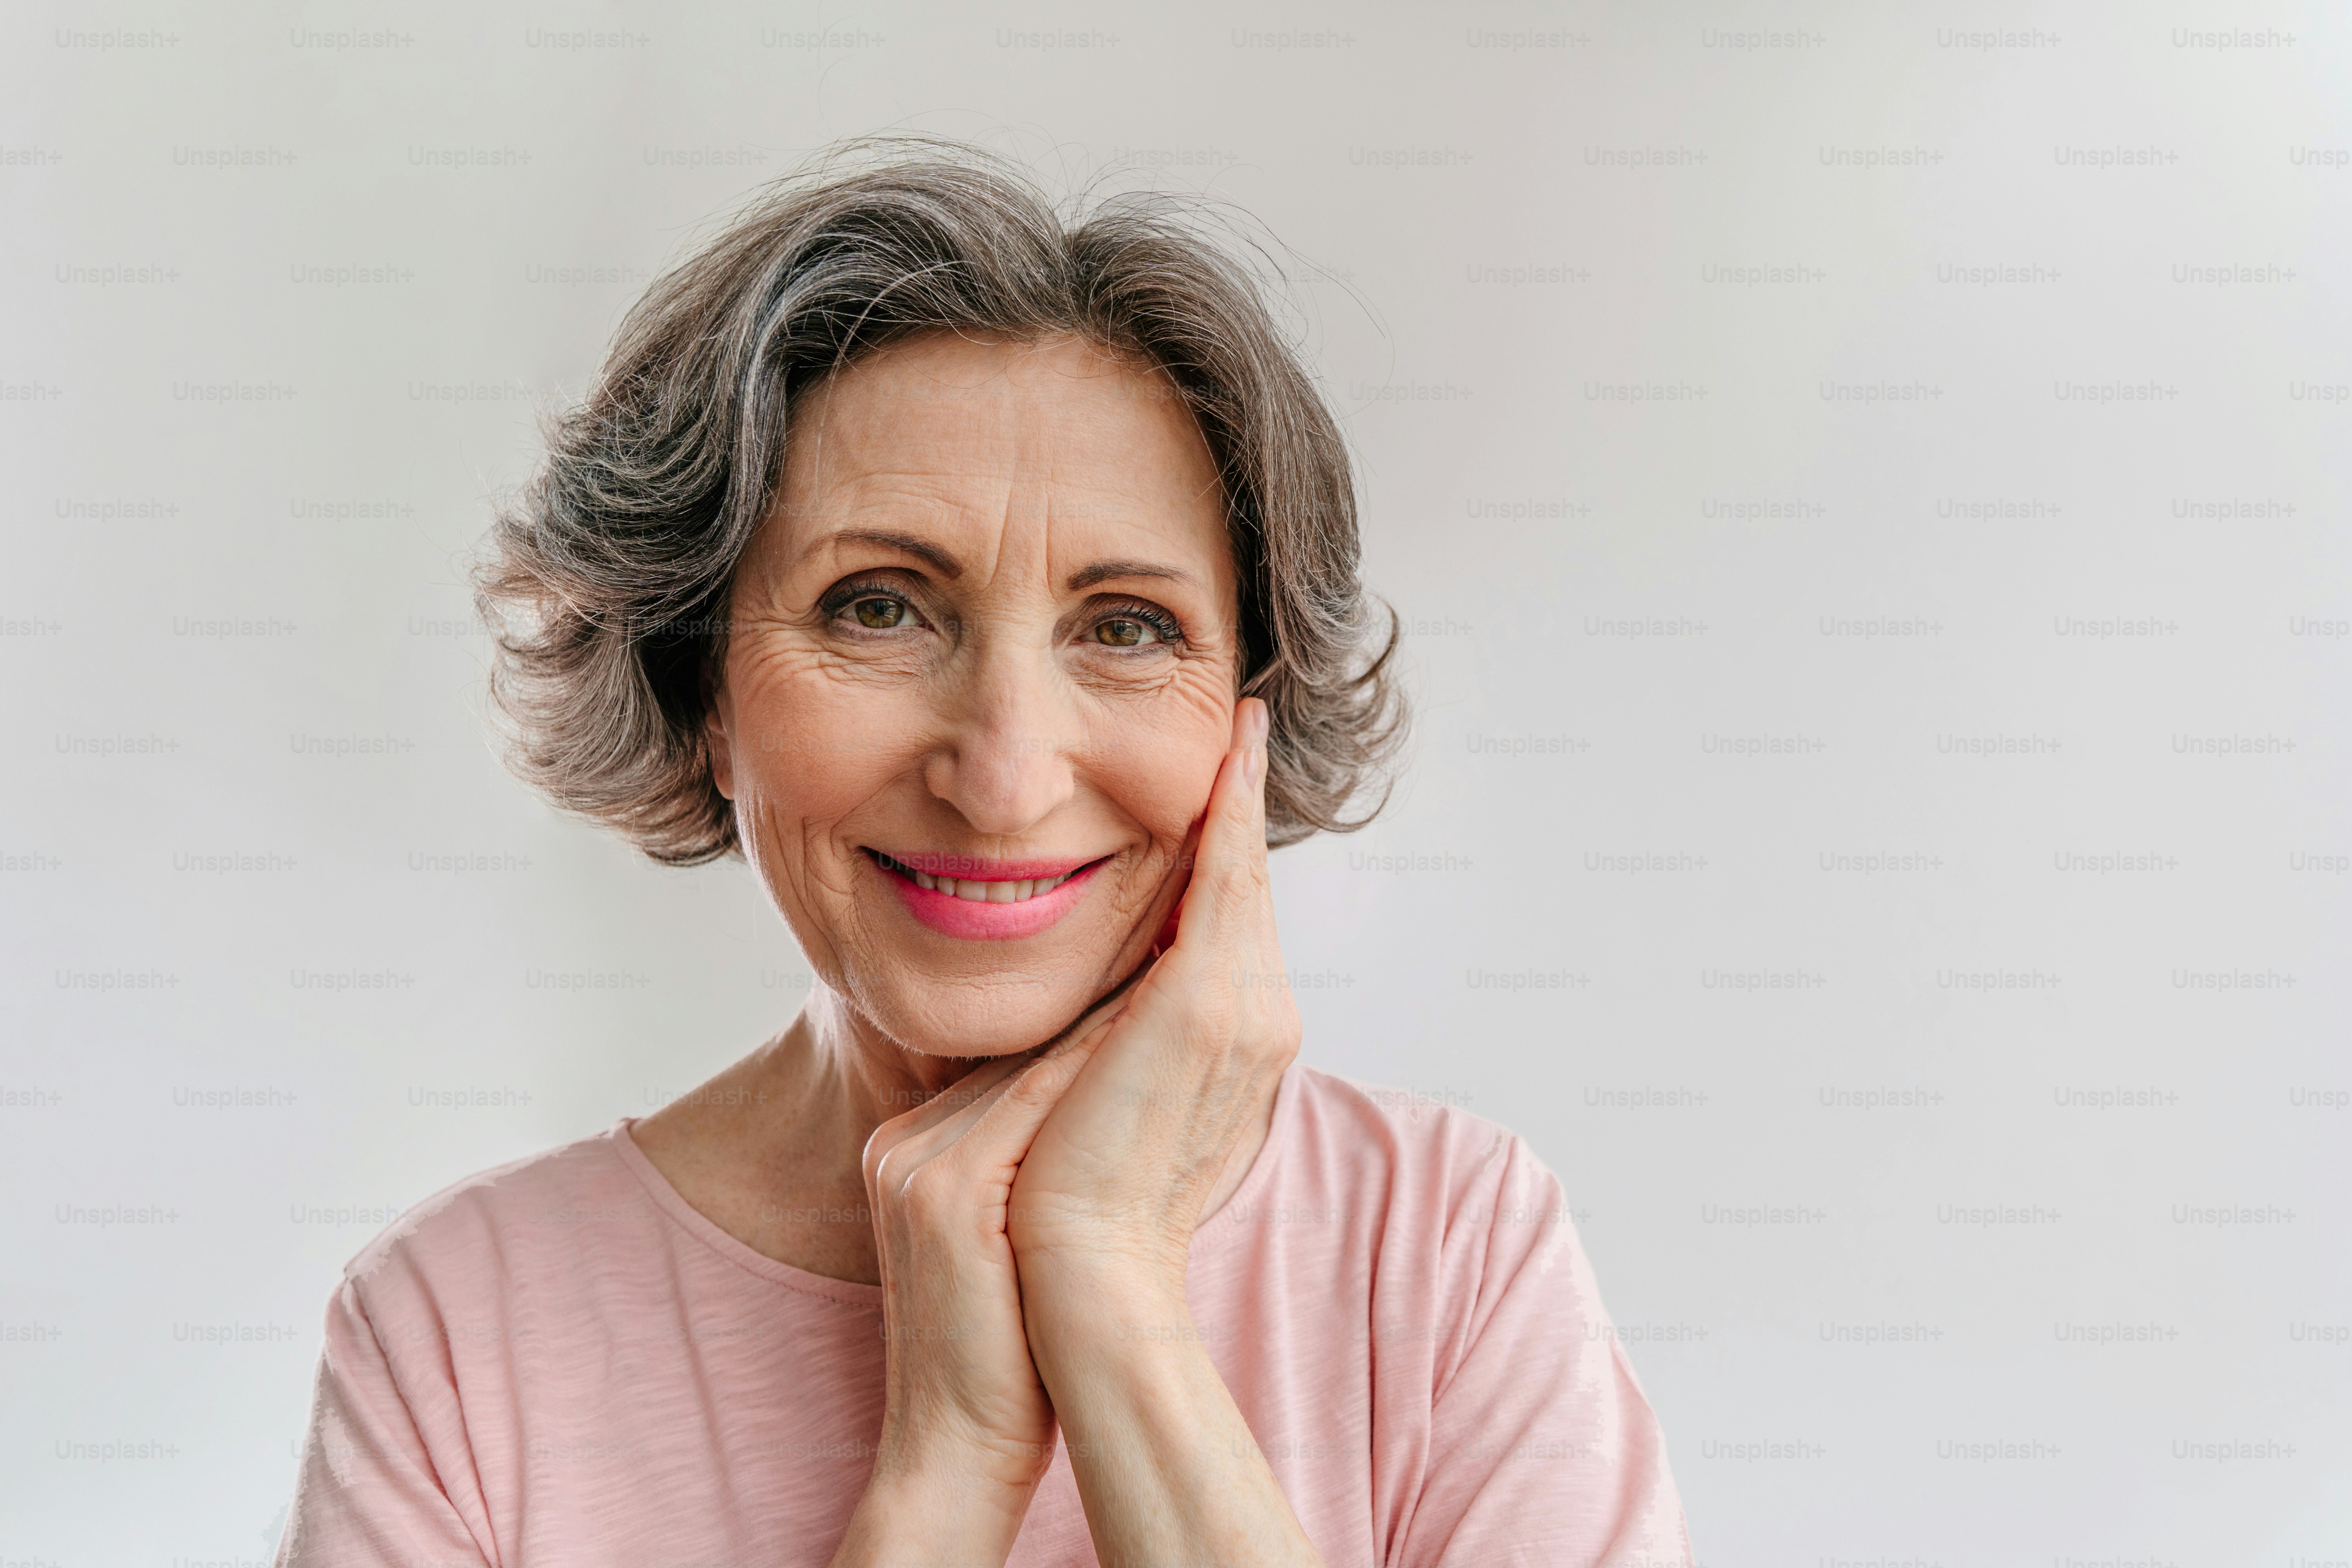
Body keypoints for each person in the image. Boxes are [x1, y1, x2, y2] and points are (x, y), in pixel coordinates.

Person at [276, 138, 1691, 1568]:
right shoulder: (455, 1339)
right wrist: (945, 1471)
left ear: (1247, 712)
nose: (1005, 780)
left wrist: (1111, 1284)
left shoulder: (1448, 1251)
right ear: (697, 689)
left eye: (1126, 627)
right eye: (878, 608)